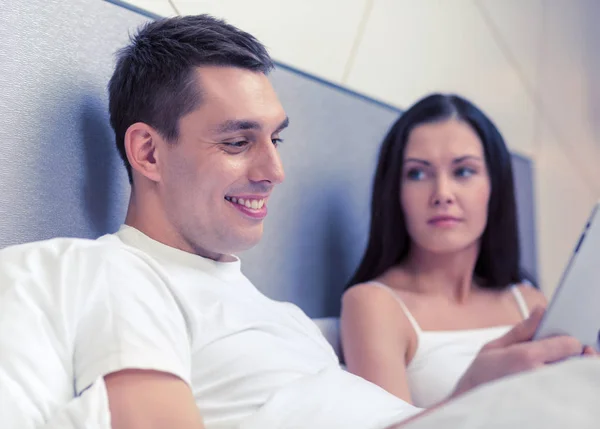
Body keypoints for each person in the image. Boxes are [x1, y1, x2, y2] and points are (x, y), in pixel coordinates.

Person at [0, 15, 594, 429]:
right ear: (149, 153)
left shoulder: (282, 318)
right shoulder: (121, 273)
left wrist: (476, 394)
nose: (274, 171)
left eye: (276, 140)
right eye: (238, 142)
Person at [340, 93, 549, 408]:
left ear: (495, 187)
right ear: (395, 193)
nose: (442, 194)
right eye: (418, 173)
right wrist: (471, 386)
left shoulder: (529, 302)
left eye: (463, 171)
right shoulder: (374, 305)